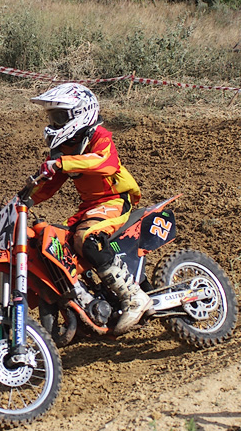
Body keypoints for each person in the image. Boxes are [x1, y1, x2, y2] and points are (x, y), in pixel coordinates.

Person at [30, 83, 153, 334]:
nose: (54, 124)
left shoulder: (100, 137)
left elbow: (105, 163)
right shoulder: (64, 149)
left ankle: (134, 297)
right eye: (52, 118)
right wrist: (22, 201)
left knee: (87, 239)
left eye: (59, 118)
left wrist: (62, 163)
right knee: (58, 245)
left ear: (81, 114)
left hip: (115, 200)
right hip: (90, 207)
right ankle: (87, 302)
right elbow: (47, 185)